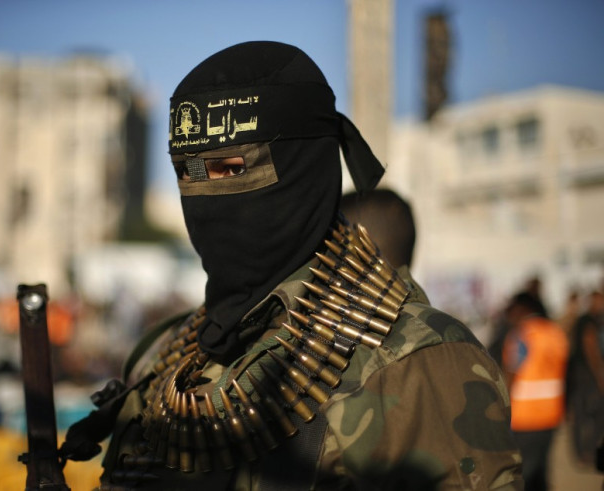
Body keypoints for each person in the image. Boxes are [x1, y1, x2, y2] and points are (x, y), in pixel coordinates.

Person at [60, 41, 523, 490]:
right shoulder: (166, 355)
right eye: (187, 172)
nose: (204, 196)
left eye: (230, 168)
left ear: (301, 166)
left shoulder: (415, 362)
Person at [502, 292, 569, 490]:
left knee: (524, 474)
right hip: (551, 413)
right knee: (541, 469)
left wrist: (502, 405)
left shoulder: (523, 334)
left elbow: (511, 373)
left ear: (523, 309)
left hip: (525, 416)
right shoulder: (555, 332)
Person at [566, 289, 604, 467]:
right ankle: (586, 453)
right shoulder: (588, 320)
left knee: (584, 413)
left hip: (580, 373)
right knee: (589, 414)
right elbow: (591, 348)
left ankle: (584, 452)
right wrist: (600, 374)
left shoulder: (587, 319)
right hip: (585, 375)